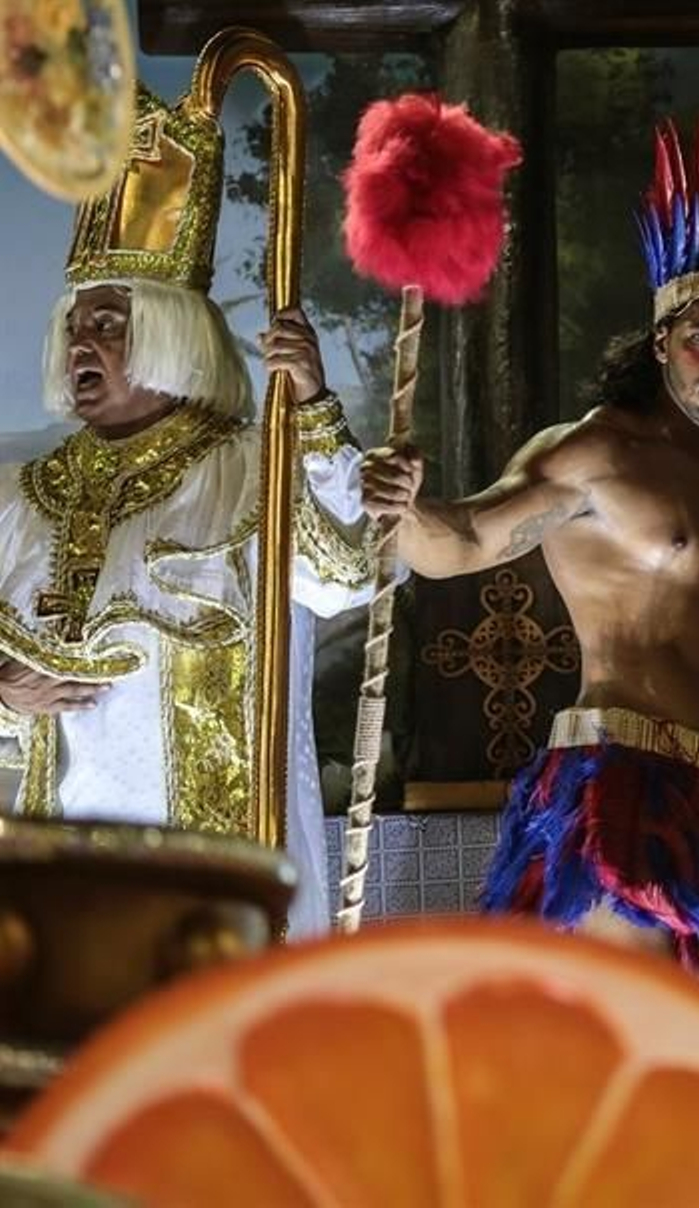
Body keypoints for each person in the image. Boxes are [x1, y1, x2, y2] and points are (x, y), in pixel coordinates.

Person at [359, 118, 699, 990]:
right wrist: (405, 505)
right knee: (631, 1019)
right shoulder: (595, 454)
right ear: (661, 342)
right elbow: (460, 543)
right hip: (624, 787)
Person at [0, 85, 374, 937]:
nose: (81, 342)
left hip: (227, 853)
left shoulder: (252, 464)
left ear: (172, 331)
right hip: (71, 864)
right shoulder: (21, 498)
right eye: (74, 326)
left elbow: (346, 576)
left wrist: (313, 409)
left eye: (108, 323)